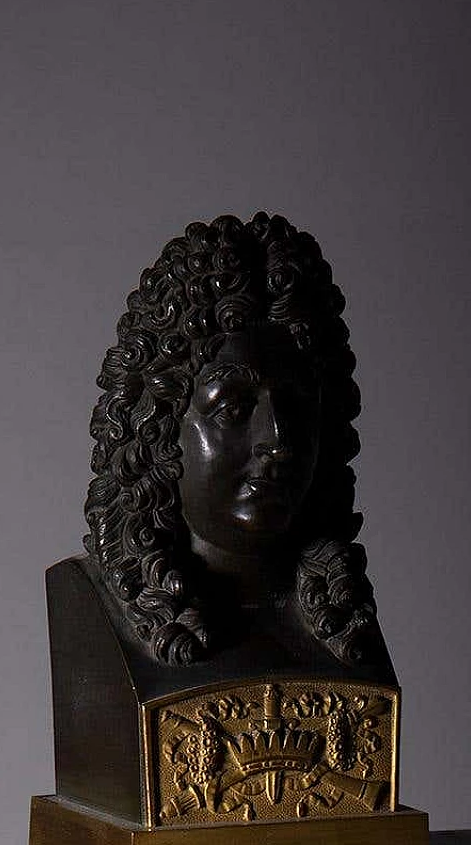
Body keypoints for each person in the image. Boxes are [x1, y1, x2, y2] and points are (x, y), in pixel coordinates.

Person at [84, 213, 380, 668]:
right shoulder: (89, 611)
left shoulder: (346, 615)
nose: (278, 442)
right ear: (157, 430)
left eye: (297, 408)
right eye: (233, 410)